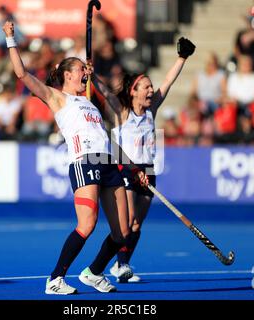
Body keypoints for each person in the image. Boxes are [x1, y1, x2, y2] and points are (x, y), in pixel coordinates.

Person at [3, 21, 143, 295]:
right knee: (87, 224)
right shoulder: (57, 98)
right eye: (80, 70)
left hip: (108, 163)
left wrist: (132, 165)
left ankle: (93, 273)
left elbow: (108, 135)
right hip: (85, 161)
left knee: (122, 233)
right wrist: (10, 38)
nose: (85, 74)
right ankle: (55, 279)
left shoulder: (89, 102)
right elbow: (21, 74)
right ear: (67, 75)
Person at [91, 37, 196, 282]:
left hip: (148, 170)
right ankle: (102, 267)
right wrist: (92, 76)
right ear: (133, 91)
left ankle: (122, 265)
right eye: (146, 87)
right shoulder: (121, 111)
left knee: (137, 225)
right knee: (125, 223)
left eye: (151, 87)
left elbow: (168, 81)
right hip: (125, 169)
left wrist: (182, 58)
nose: (151, 90)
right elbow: (105, 92)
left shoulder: (152, 109)